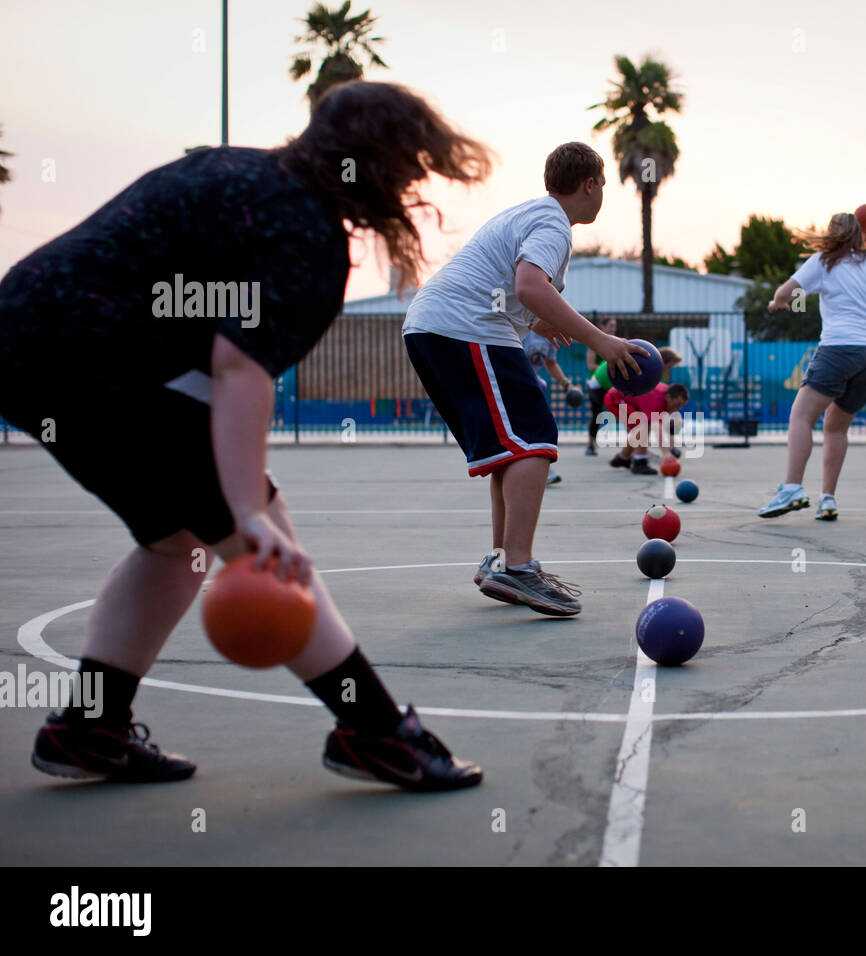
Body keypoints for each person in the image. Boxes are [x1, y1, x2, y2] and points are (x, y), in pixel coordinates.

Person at [0, 82, 493, 789]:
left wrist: (234, 506)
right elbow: (238, 372)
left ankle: (90, 727)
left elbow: (208, 359)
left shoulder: (234, 170)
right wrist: (247, 512)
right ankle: (376, 732)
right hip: (89, 360)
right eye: (412, 158)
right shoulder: (306, 235)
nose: (417, 176)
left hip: (24, 342)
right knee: (264, 538)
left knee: (176, 543)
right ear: (375, 160)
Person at [402, 142, 646, 616]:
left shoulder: (530, 214)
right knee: (535, 436)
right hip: (464, 329)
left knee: (509, 449)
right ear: (591, 183)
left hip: (437, 328)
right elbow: (528, 285)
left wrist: (538, 322)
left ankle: (501, 561)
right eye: (603, 187)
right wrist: (603, 342)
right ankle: (518, 568)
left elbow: (511, 289)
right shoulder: (554, 222)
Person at [757, 206, 866, 519]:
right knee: (836, 427)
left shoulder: (821, 262)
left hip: (838, 348)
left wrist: (777, 303)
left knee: (801, 416)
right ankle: (828, 498)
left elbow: (784, 292)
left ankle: (792, 488)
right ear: (863, 234)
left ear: (832, 233)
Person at [521, 328, 575, 485]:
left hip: (532, 386)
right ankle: (539, 472)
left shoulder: (549, 335)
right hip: (516, 384)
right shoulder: (524, 329)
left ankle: (540, 472)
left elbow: (551, 363)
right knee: (536, 429)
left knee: (539, 429)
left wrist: (567, 385)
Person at [606, 382, 690, 473]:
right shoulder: (656, 399)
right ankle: (639, 462)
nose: (677, 409)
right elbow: (657, 427)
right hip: (615, 398)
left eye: (680, 406)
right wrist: (666, 453)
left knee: (640, 428)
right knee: (643, 425)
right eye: (677, 404)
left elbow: (662, 426)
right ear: (669, 397)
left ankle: (623, 458)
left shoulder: (666, 395)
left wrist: (672, 447)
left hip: (624, 397)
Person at [584, 315, 618, 455]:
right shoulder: (595, 343)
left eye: (614, 326)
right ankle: (590, 445)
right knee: (597, 414)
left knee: (625, 411)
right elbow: (591, 365)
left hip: (612, 384)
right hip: (596, 384)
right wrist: (607, 370)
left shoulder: (616, 342)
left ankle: (633, 446)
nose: (613, 329)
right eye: (611, 325)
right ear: (602, 327)